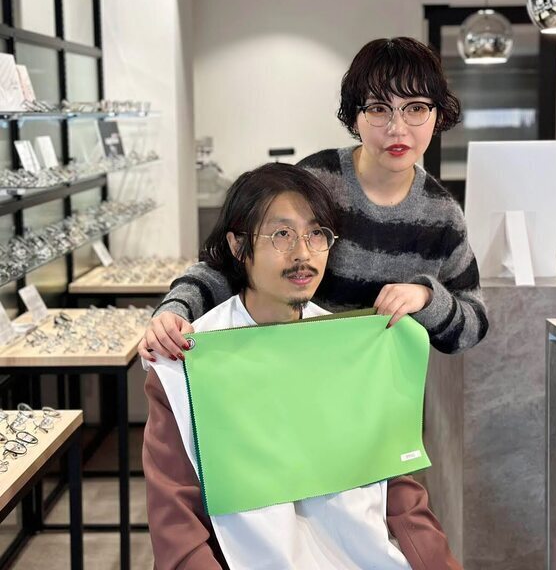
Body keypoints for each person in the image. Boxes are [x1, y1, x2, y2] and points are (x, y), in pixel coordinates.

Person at [143, 162, 461, 569]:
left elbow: (397, 490)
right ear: (238, 246)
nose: (303, 254)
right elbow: (177, 529)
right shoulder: (190, 364)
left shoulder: (350, 347)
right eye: (281, 234)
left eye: (316, 234)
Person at [138, 36, 488, 363]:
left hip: (381, 390)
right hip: (297, 373)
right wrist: (175, 311)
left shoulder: (443, 215)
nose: (398, 128)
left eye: (416, 108)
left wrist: (426, 298)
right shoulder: (317, 181)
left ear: (438, 115)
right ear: (354, 117)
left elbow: (473, 324)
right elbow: (231, 264)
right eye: (379, 109)